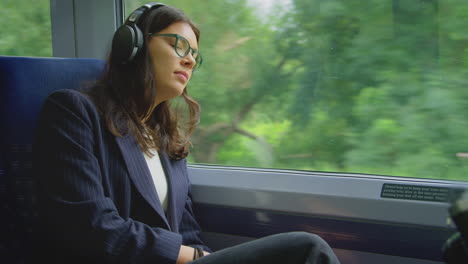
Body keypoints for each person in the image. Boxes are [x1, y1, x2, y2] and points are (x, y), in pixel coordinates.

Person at [31, 2, 341, 264]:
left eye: (195, 54)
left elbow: (188, 232)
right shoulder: (74, 112)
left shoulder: (167, 138)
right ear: (133, 46)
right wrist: (192, 256)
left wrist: (200, 253)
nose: (190, 59)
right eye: (178, 45)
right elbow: (91, 227)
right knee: (307, 250)